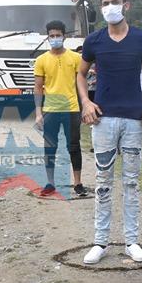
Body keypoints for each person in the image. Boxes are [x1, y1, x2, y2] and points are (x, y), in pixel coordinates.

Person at [76, 0, 142, 265]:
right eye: (105, 3)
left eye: (115, 2)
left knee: (132, 182)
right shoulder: (93, 41)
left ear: (126, 5)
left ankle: (131, 241)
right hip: (103, 120)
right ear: (100, 8)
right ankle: (100, 241)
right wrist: (87, 102)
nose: (110, 7)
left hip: (134, 119)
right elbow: (80, 73)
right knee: (102, 182)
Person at [34, 20, 88, 197]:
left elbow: (81, 83)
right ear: (47, 37)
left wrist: (85, 105)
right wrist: (38, 113)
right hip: (50, 110)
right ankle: (50, 183)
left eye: (58, 35)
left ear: (64, 36)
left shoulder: (75, 58)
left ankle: (78, 182)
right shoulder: (41, 60)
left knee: (74, 146)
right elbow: (38, 87)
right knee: (50, 147)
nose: (55, 38)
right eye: (52, 36)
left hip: (72, 109)